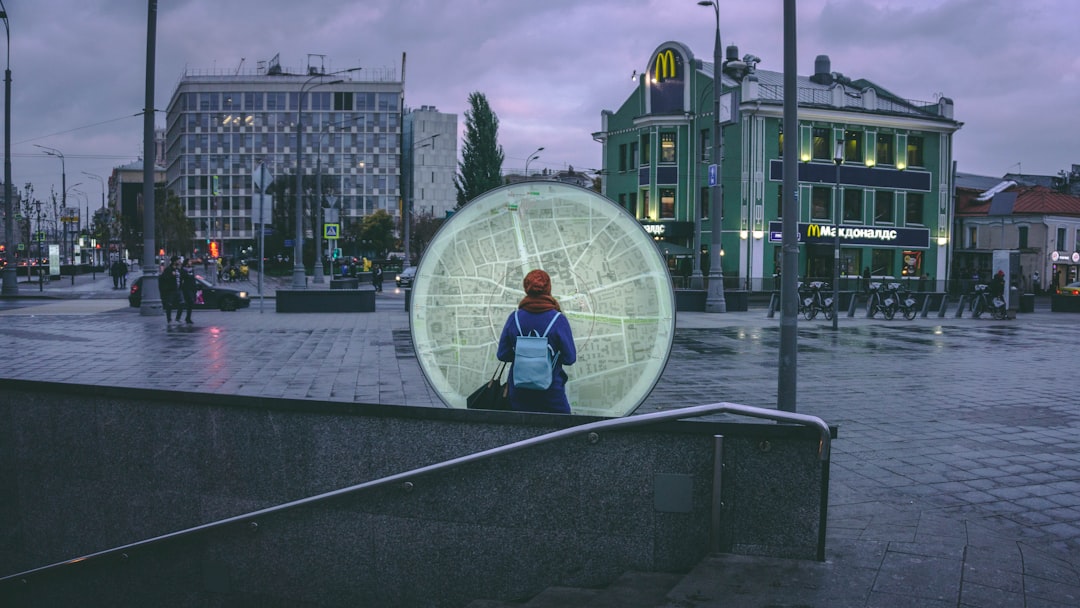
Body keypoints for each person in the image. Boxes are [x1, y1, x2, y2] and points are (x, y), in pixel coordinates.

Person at [496, 269, 577, 414]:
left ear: (526, 289)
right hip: (552, 394)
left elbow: (502, 355)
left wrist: (524, 354)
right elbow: (569, 358)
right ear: (548, 288)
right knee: (562, 432)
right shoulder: (558, 320)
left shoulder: (514, 318)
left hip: (518, 394)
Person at [159, 256, 182, 324]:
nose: (179, 262)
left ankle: (178, 318)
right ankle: (169, 319)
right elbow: (164, 278)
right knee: (169, 304)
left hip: (178, 289)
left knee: (182, 303)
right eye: (178, 260)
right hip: (171, 290)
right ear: (174, 261)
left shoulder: (178, 269)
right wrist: (172, 275)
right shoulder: (168, 269)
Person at [179, 259, 198, 325]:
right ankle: (186, 318)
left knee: (190, 304)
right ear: (186, 263)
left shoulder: (191, 270)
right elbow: (182, 279)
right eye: (189, 261)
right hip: (186, 288)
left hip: (192, 288)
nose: (191, 262)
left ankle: (188, 318)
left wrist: (195, 287)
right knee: (189, 301)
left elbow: (193, 279)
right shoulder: (183, 270)